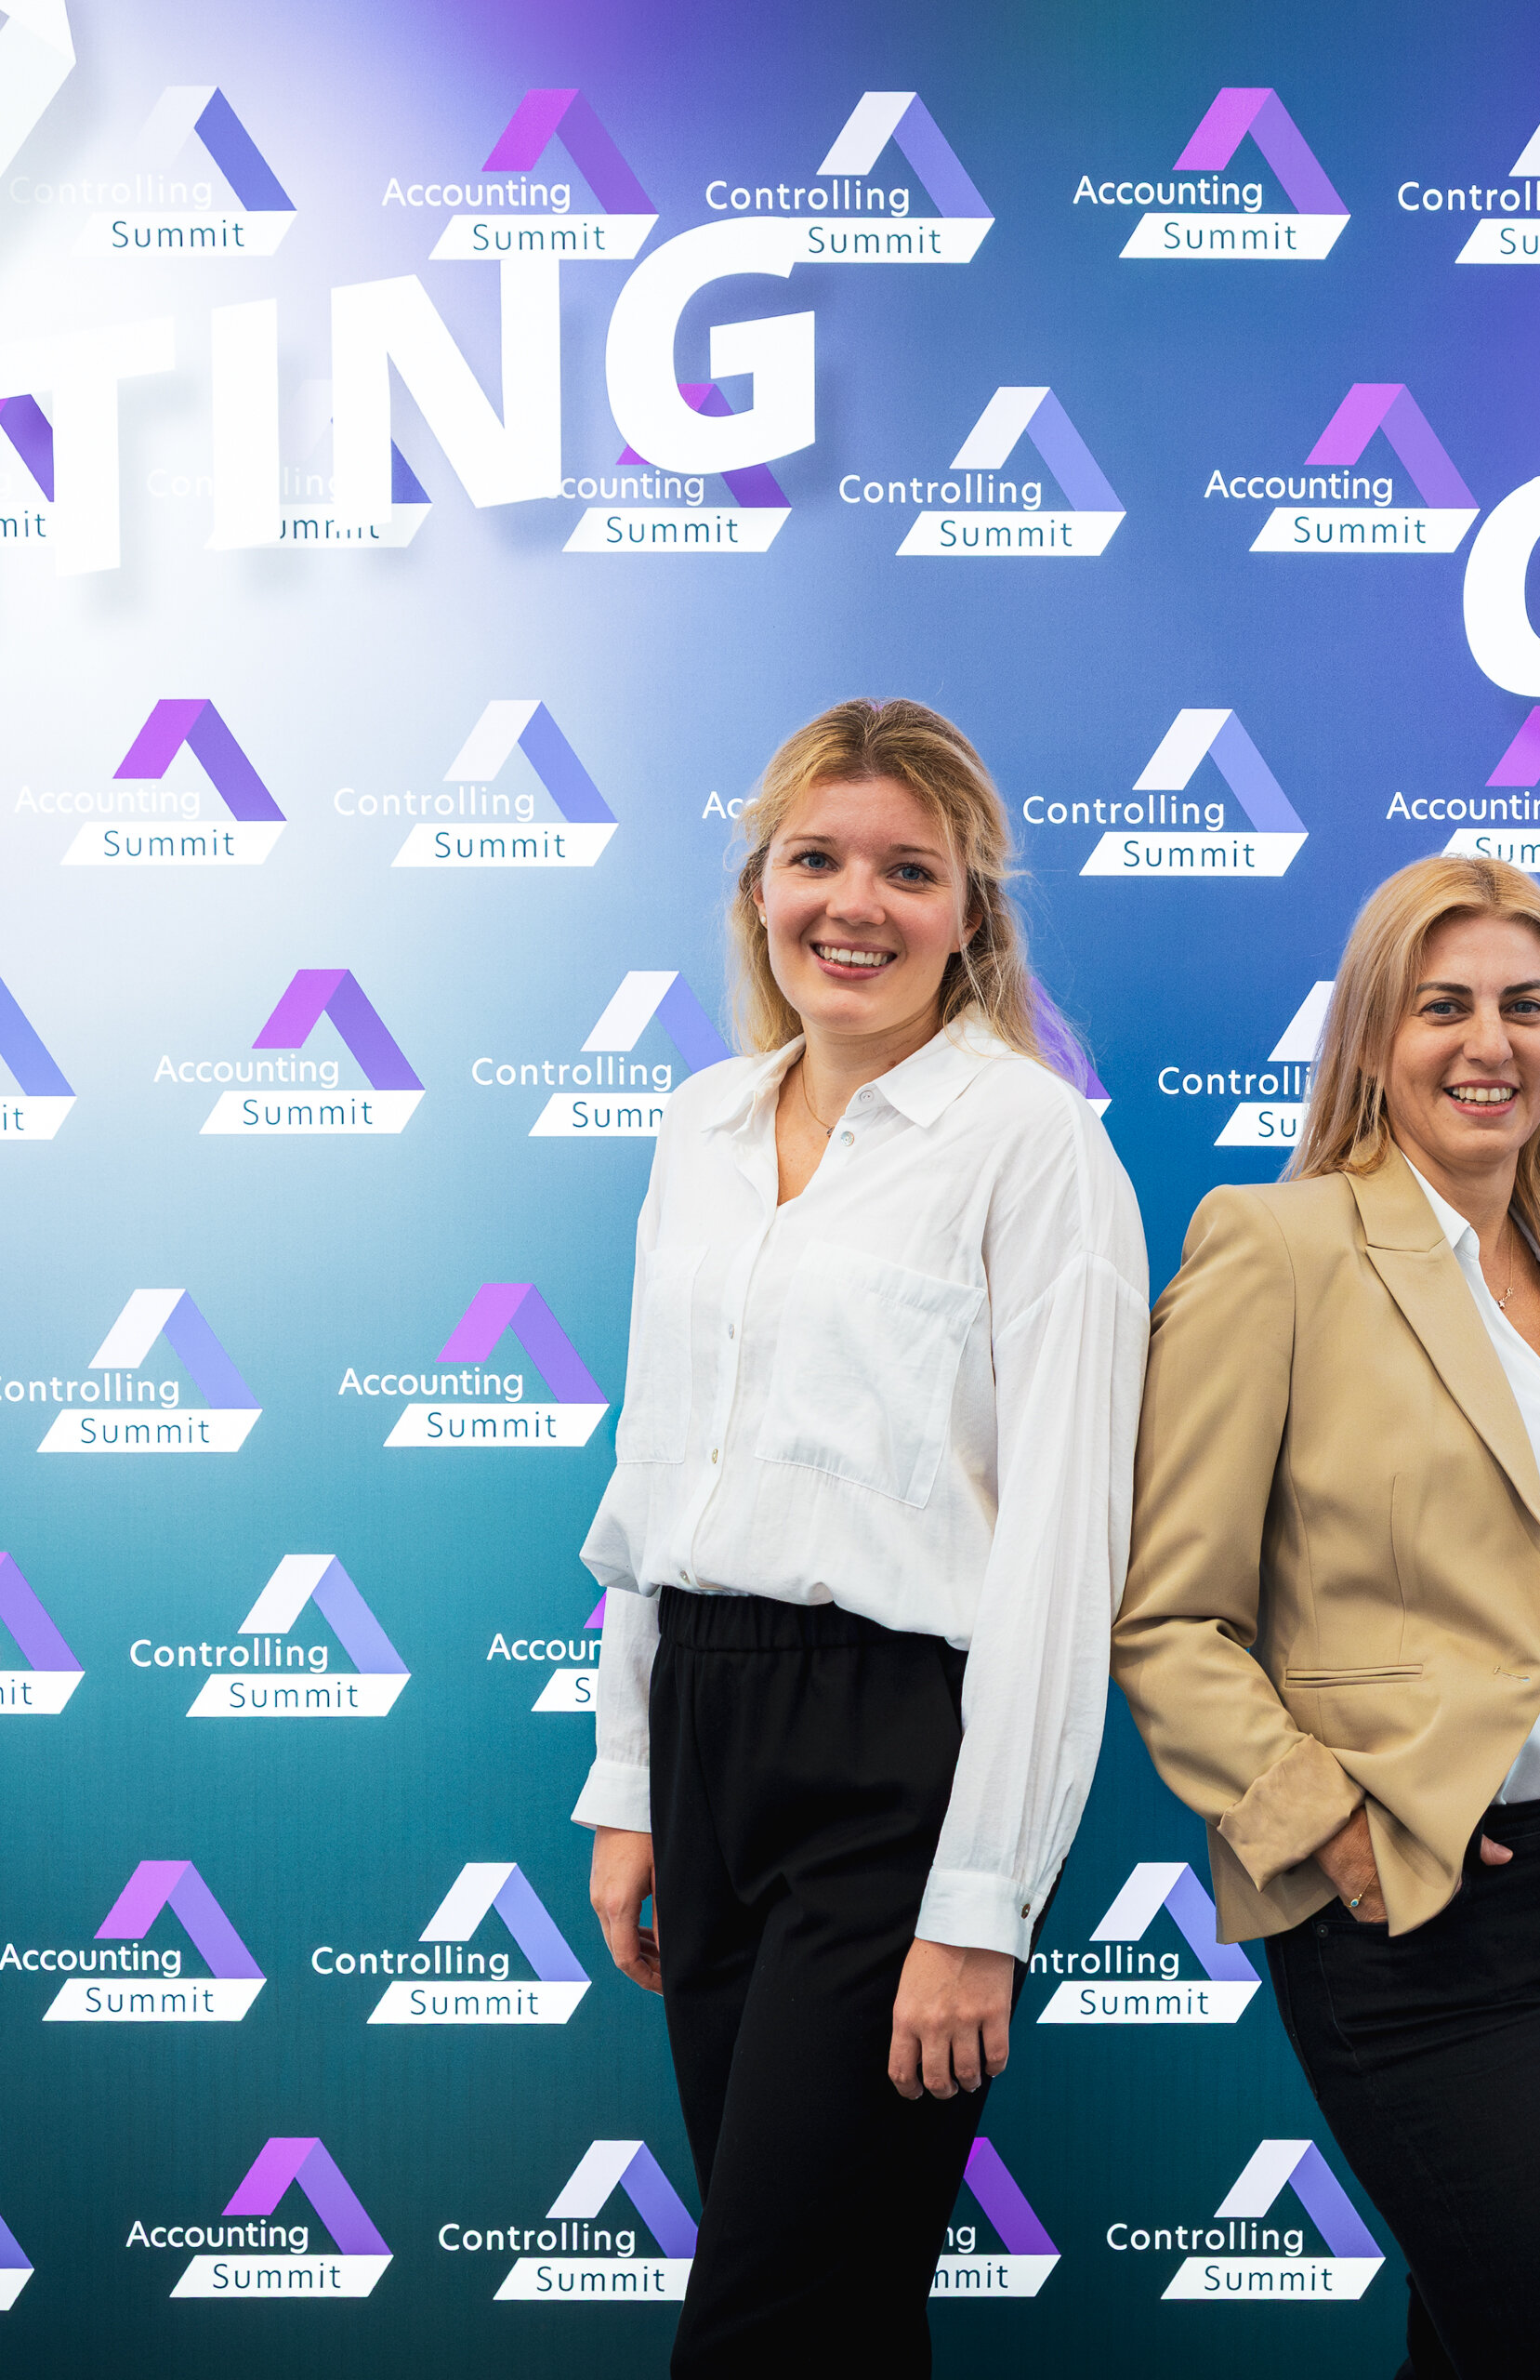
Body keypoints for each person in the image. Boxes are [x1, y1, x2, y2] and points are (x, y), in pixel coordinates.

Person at [1114, 854, 1540, 2378]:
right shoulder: (1276, 1248)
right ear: (1373, 1039)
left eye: (1527, 1007)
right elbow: (1167, 1618)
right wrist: (1326, 1827)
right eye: (1442, 1005)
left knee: (1473, 2354)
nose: (1490, 1042)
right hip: (1418, 1906)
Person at [575, 698, 1146, 2374]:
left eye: (909, 870)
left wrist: (983, 1902)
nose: (855, 904)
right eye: (816, 859)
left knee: (770, 2326)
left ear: (971, 914)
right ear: (760, 888)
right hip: (707, 1723)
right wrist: (632, 1780)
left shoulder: (1034, 1145)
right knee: (840, 2320)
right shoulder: (699, 1126)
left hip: (902, 1761)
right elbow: (660, 1477)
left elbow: (1062, 1553)